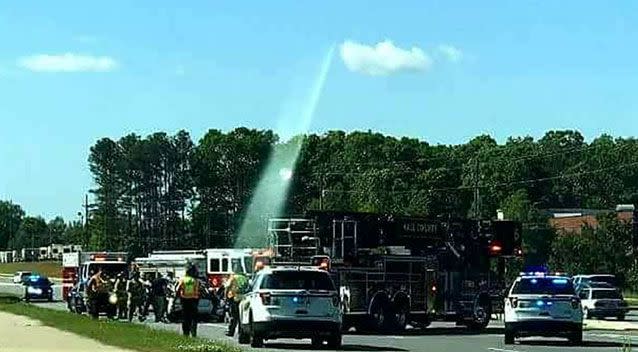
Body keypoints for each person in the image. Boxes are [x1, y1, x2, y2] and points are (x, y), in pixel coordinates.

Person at [176, 264, 201, 337]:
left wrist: (178, 296)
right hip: (194, 300)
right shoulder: (196, 281)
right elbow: (199, 290)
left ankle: (185, 333)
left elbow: (177, 289)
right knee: (194, 318)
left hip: (184, 300)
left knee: (185, 318)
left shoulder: (183, 279)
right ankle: (193, 333)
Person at [225, 270, 248, 337]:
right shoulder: (244, 278)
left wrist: (225, 296)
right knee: (241, 316)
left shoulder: (233, 277)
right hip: (243, 298)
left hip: (234, 298)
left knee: (234, 316)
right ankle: (241, 332)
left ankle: (231, 331)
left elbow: (227, 287)